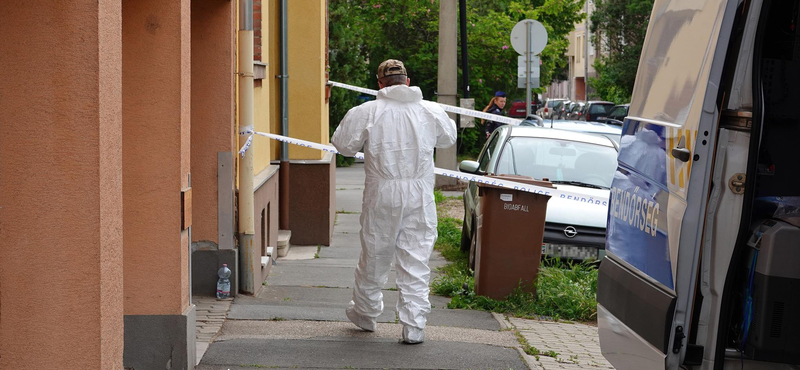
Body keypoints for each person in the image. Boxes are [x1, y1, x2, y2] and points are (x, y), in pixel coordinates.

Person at [331, 59, 457, 344]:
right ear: (408, 82)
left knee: (375, 254)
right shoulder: (430, 111)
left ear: (380, 84)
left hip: (381, 191)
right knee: (415, 257)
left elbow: (343, 145)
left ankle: (365, 312)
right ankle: (414, 325)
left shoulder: (366, 112)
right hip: (419, 193)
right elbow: (448, 138)